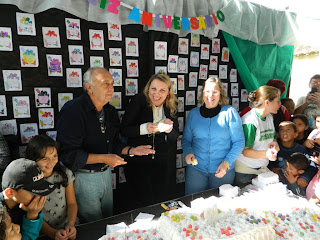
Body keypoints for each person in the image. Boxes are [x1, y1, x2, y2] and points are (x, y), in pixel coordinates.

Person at [56, 67, 154, 223]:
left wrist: (131, 150)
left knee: (108, 219)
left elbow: (114, 143)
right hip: (83, 178)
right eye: (105, 83)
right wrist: (104, 158)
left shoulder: (109, 111)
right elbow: (68, 155)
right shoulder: (72, 111)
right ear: (89, 87)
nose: (111, 88)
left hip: (106, 175)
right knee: (93, 225)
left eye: (112, 83)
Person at [121, 73, 179, 208]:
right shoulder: (138, 101)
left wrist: (169, 129)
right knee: (142, 203)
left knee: (161, 201)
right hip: (139, 162)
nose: (156, 94)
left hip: (162, 162)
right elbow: (124, 130)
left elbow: (175, 136)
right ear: (148, 89)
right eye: (153, 89)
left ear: (168, 93)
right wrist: (144, 128)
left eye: (162, 90)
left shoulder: (171, 106)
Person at [181, 77, 245, 195]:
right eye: (207, 91)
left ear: (220, 94)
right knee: (193, 204)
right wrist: (188, 152)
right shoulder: (193, 114)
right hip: (196, 171)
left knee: (220, 207)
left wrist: (226, 163)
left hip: (223, 171)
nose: (211, 95)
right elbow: (186, 140)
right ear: (203, 93)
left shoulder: (229, 112)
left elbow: (239, 141)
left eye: (215, 91)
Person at [26, 135, 77, 240]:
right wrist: (53, 233)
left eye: (54, 156)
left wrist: (71, 225)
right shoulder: (28, 182)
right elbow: (34, 215)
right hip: (43, 232)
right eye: (45, 158)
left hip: (68, 230)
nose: (51, 162)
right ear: (33, 159)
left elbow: (72, 203)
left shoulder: (65, 174)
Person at [234, 86, 281, 185]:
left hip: (262, 168)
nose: (280, 104)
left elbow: (273, 138)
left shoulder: (269, 117)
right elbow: (246, 151)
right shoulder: (250, 121)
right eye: (277, 101)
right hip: (246, 171)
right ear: (267, 102)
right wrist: (267, 154)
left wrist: (274, 144)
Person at [0, 158, 55, 240]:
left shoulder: (29, 204)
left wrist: (34, 215)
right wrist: (32, 216)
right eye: (33, 192)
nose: (39, 197)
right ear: (10, 193)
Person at [268, 121, 317, 188]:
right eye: (282, 130)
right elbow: (267, 162)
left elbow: (311, 166)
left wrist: (304, 178)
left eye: (288, 129)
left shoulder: (301, 150)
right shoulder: (274, 148)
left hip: (295, 182)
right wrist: (272, 168)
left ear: (295, 134)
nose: (285, 132)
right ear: (278, 134)